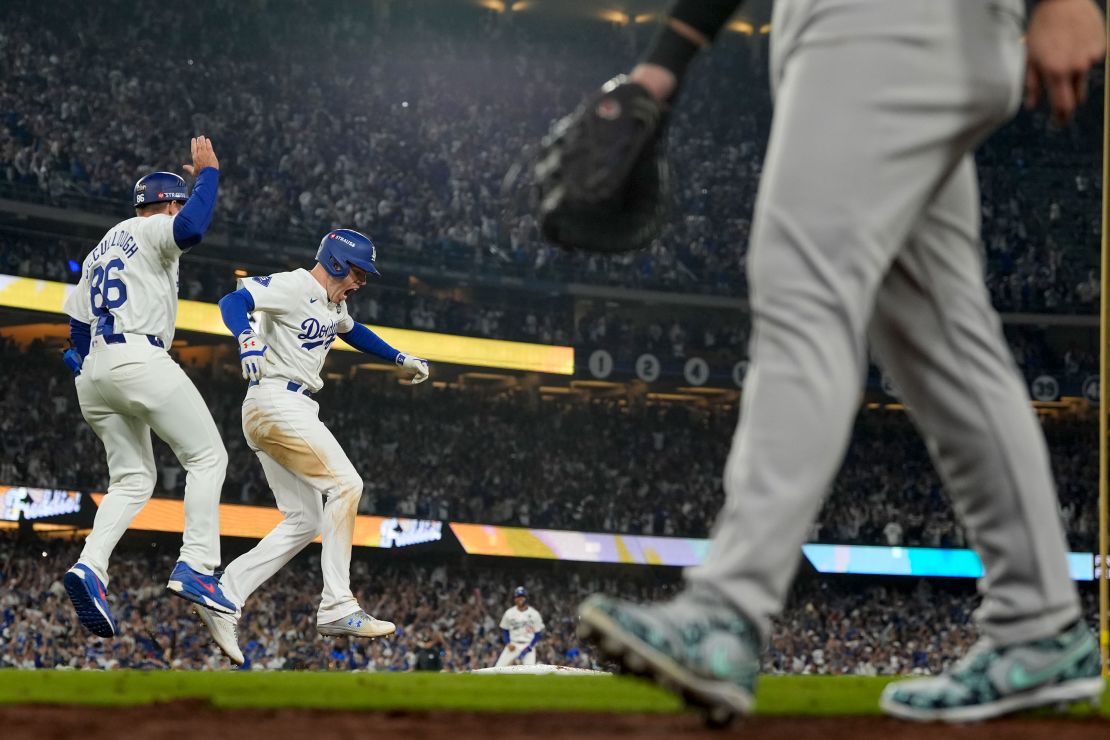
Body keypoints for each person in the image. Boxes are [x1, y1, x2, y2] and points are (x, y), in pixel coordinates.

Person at [571, 0, 1107, 725]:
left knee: (804, 290)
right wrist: (666, 60)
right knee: (943, 339)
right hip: (884, 39)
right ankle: (1039, 625)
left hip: (890, 28)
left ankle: (728, 609)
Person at [192, 229, 430, 664]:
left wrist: (399, 358)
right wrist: (246, 338)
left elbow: (353, 332)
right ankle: (338, 605)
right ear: (337, 262)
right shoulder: (297, 284)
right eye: (359, 272)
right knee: (346, 485)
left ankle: (224, 593)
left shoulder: (333, 303)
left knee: (305, 520)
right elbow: (233, 301)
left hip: (282, 408)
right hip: (276, 400)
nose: (361, 282)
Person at [60, 136, 236, 638]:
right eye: (177, 199)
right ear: (166, 203)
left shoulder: (100, 248)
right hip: (139, 355)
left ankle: (90, 566)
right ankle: (198, 565)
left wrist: (89, 367)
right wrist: (209, 175)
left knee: (133, 479)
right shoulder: (156, 227)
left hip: (94, 372)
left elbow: (74, 328)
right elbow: (192, 228)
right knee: (207, 458)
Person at [494, 586, 544, 667]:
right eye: (518, 597)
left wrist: (528, 648)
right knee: (498, 668)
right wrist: (508, 643)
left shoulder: (535, 614)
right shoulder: (509, 613)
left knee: (530, 673)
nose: (520, 599)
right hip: (513, 645)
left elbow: (538, 634)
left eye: (522, 596)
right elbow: (505, 630)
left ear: (526, 598)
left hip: (528, 645)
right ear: (514, 599)